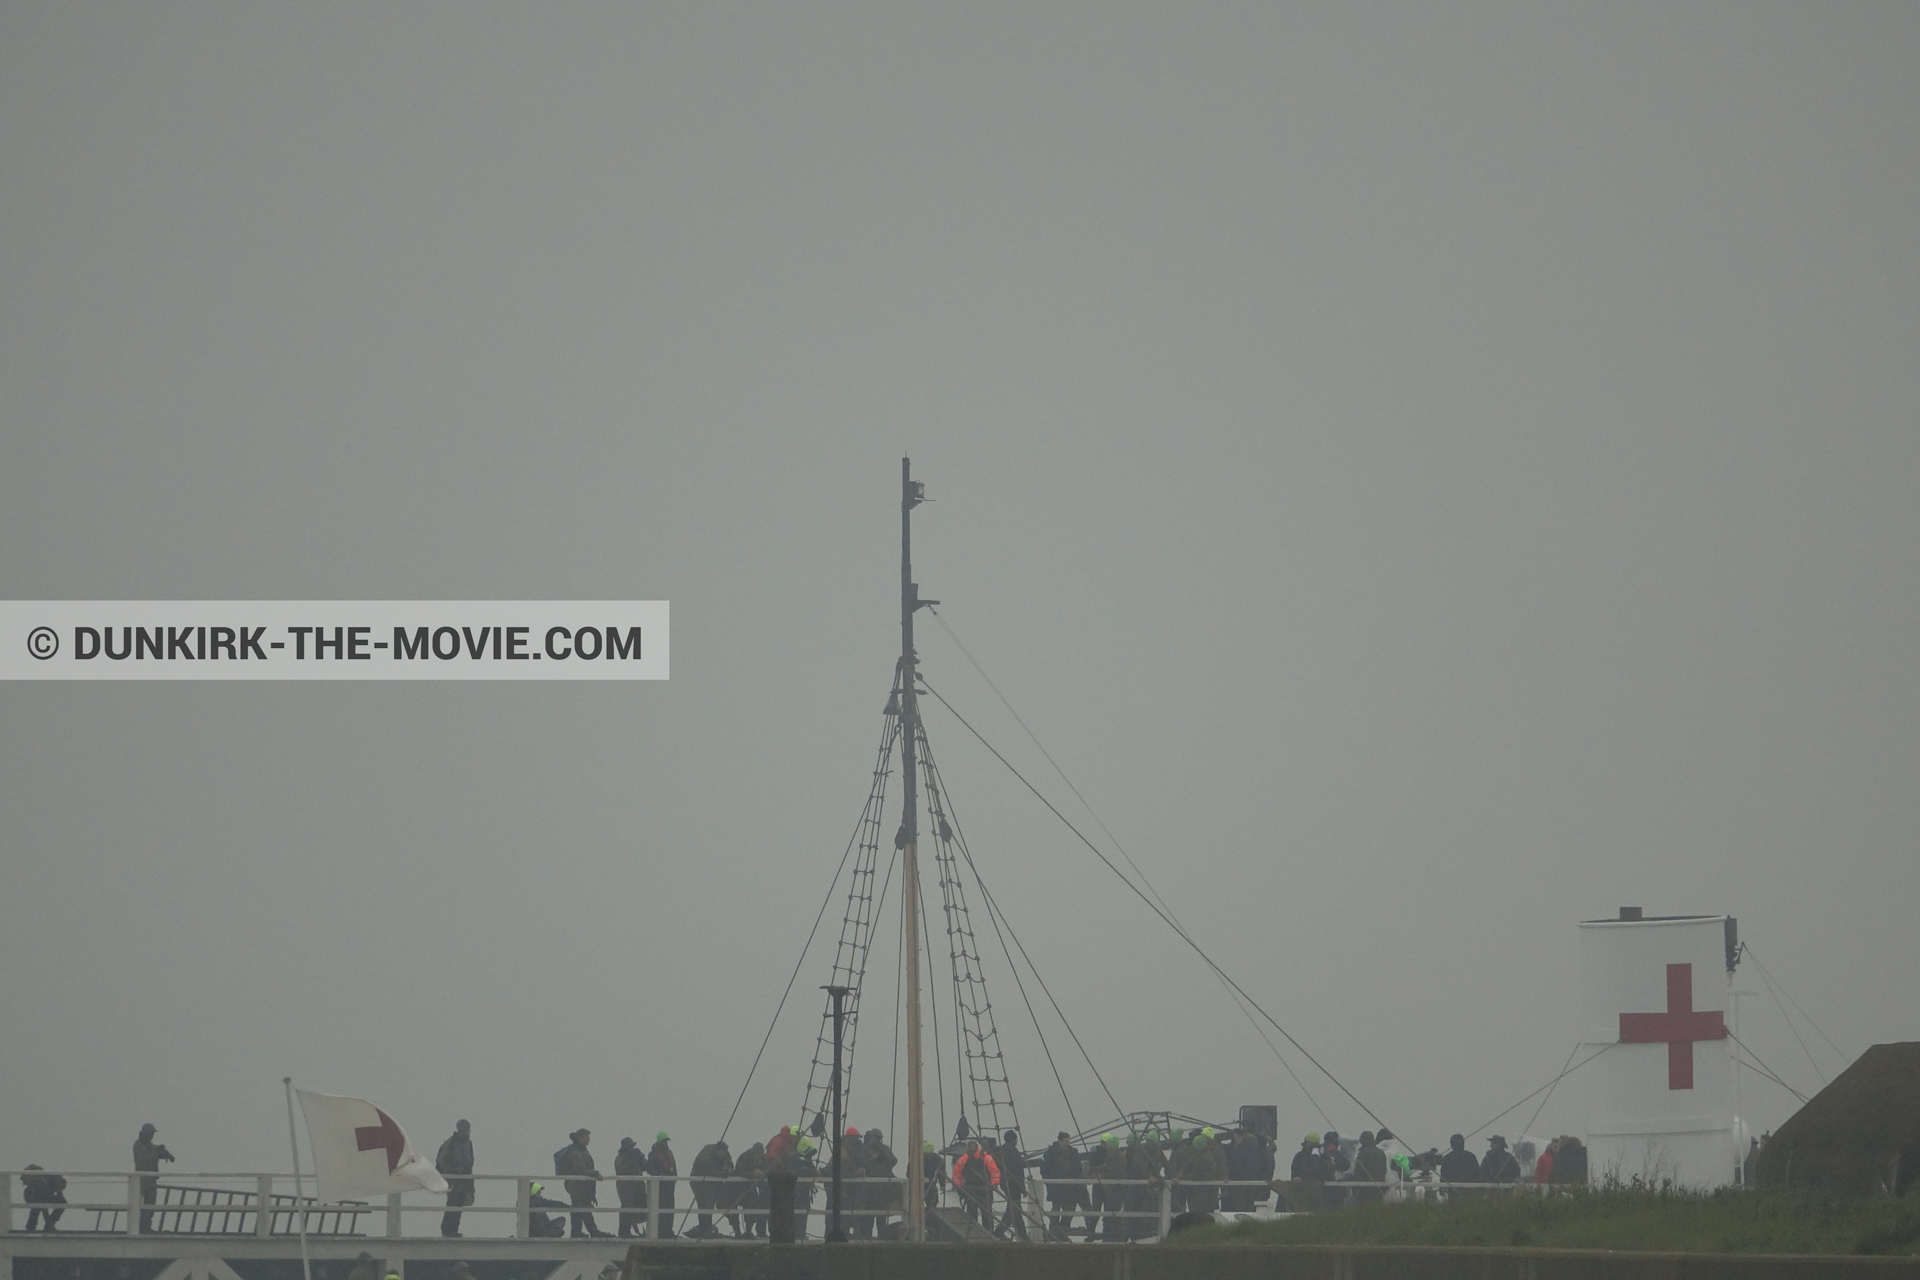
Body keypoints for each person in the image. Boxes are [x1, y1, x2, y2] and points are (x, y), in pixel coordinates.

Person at [554, 1128, 608, 1238]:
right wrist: (595, 1173)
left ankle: (576, 1231)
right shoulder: (575, 1152)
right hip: (577, 1185)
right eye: (587, 1138)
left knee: (577, 1208)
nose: (589, 1140)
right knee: (584, 1207)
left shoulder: (581, 1150)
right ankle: (593, 1231)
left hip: (578, 1185)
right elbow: (579, 1169)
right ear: (580, 1138)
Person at [1040, 1131, 1084, 1241]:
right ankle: (1054, 1231)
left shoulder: (1073, 1152)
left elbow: (1078, 1168)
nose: (1067, 1144)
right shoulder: (1050, 1153)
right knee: (1056, 1208)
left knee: (1069, 1209)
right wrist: (1054, 1183)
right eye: (1065, 1141)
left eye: (1068, 1142)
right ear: (1059, 1141)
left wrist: (1072, 1181)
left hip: (1070, 1187)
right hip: (1056, 1187)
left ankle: (1062, 1231)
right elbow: (1045, 1170)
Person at [133, 1124, 175, 1233]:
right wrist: (157, 1152)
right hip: (143, 1181)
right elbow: (144, 1157)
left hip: (151, 1181)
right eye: (151, 1133)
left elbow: (154, 1149)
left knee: (151, 1205)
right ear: (145, 1133)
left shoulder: (149, 1145)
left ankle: (146, 1226)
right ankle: (141, 1227)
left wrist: (164, 1152)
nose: (152, 1136)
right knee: (144, 1205)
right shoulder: (138, 1145)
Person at [435, 1120, 474, 1238]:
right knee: (453, 1203)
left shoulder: (467, 1144)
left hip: (464, 1180)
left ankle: (453, 1230)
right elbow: (442, 1160)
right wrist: (453, 1171)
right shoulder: (451, 1143)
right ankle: (447, 1230)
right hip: (453, 1180)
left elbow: (470, 1161)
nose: (468, 1130)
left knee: (459, 1203)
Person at [690, 1139, 734, 1239]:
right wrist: (723, 1173)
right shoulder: (705, 1156)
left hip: (713, 1182)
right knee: (704, 1204)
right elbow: (709, 1171)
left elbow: (730, 1163)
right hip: (699, 1181)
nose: (724, 1155)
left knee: (720, 1202)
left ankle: (709, 1229)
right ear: (717, 1150)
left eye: (725, 1153)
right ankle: (705, 1230)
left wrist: (729, 1167)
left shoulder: (725, 1153)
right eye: (722, 1153)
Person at [952, 1139, 998, 1231]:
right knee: (972, 1214)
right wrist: (959, 1187)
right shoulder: (964, 1159)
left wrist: (993, 1184)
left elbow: (994, 1173)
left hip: (984, 1189)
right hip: (971, 1189)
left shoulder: (986, 1158)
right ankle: (974, 1232)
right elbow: (957, 1175)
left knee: (986, 1214)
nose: (970, 1153)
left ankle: (988, 1233)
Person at [862, 1128, 898, 1238]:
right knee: (869, 1214)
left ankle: (881, 1236)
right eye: (875, 1138)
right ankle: (867, 1236)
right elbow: (865, 1164)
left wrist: (884, 1154)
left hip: (883, 1187)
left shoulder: (885, 1149)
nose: (877, 1140)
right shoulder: (865, 1150)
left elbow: (894, 1160)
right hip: (870, 1187)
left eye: (879, 1138)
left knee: (882, 1215)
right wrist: (876, 1157)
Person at [1183, 1128, 1229, 1215]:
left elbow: (1220, 1165)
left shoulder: (1207, 1151)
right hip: (1209, 1185)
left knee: (1202, 1210)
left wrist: (1183, 1176)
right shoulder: (1214, 1148)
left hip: (1206, 1185)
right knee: (1206, 1210)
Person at [732, 1140, 770, 1238]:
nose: (758, 1156)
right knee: (734, 1208)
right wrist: (751, 1174)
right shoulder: (744, 1158)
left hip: (751, 1187)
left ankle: (749, 1230)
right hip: (738, 1187)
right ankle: (737, 1231)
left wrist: (761, 1174)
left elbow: (767, 1169)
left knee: (754, 1206)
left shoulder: (763, 1160)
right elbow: (738, 1171)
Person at [614, 1137, 648, 1238]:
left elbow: (646, 1167)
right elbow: (623, 1169)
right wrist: (632, 1158)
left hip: (637, 1187)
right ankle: (624, 1232)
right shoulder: (620, 1158)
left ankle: (635, 1230)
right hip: (625, 1187)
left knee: (639, 1208)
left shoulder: (635, 1156)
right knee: (626, 1208)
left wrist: (640, 1158)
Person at [22, 1165, 67, 1232]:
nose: (58, 1190)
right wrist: (48, 1223)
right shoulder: (43, 1183)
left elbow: (60, 1197)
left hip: (43, 1194)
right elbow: (43, 1205)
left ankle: (49, 1223)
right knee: (37, 1206)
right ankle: (31, 1226)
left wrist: (62, 1202)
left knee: (62, 1203)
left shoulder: (55, 1179)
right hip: (33, 1194)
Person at [1350, 1132, 1387, 1205]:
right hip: (1380, 1189)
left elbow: (1359, 1171)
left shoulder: (1363, 1153)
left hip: (1365, 1190)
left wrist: (1352, 1183)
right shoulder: (1381, 1153)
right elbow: (1384, 1170)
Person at [921, 1141, 944, 1210]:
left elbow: (941, 1172)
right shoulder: (917, 1159)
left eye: (929, 1154)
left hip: (931, 1184)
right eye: (925, 1154)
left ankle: (930, 1212)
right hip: (918, 1185)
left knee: (933, 1198)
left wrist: (942, 1184)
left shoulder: (937, 1159)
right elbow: (909, 1173)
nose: (927, 1156)